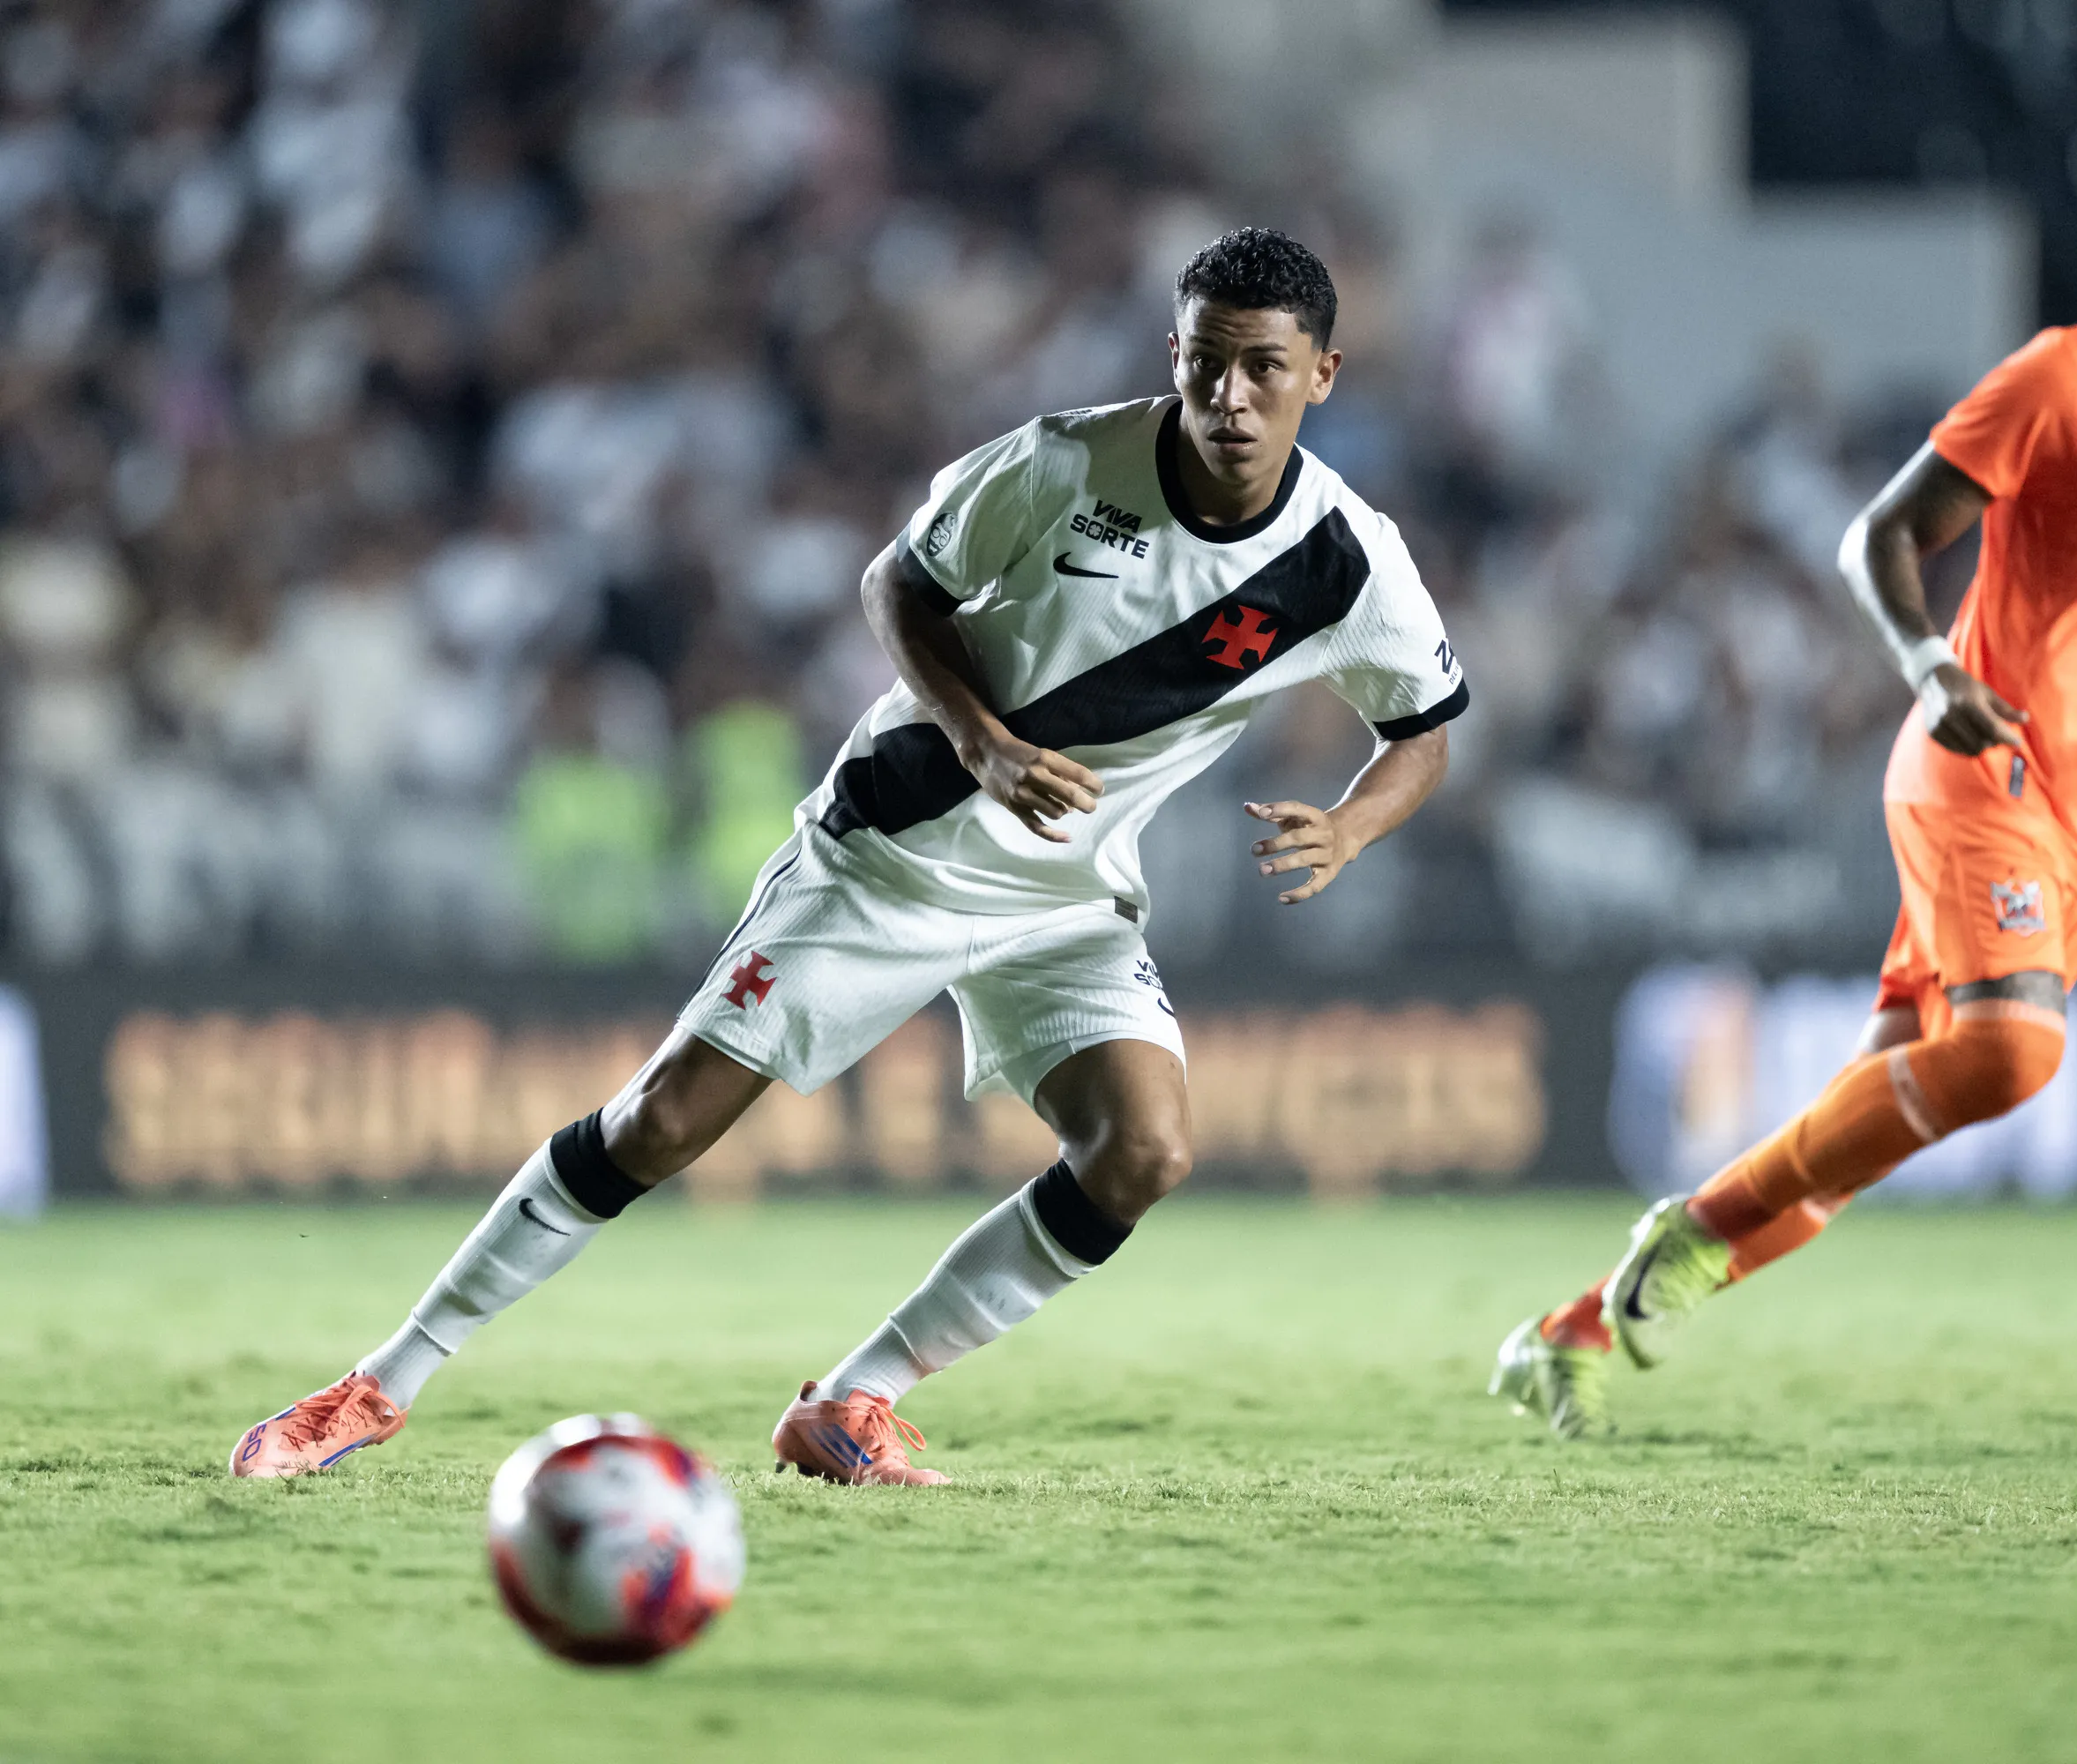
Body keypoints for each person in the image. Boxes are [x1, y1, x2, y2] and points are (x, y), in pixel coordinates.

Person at [234, 228, 1468, 1484]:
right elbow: (900, 587)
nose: (1230, 396)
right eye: (1207, 362)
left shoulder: (1349, 562)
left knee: (1144, 1154)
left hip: (1066, 896)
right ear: (1174, 352)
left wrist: (1353, 824)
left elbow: (1421, 732)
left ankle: (853, 1401)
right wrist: (983, 742)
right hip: (893, 852)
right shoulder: (1062, 460)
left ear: (1323, 374)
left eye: (1264, 367)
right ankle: (375, 1388)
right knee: (662, 1124)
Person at [1494, 66, 2077, 1439]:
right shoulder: (2066, 379)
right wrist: (1931, 666)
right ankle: (1678, 1238)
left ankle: (1568, 1333)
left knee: (1873, 1116)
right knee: (2011, 1054)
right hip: (1976, 759)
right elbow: (1879, 538)